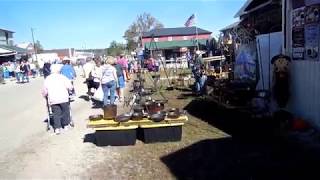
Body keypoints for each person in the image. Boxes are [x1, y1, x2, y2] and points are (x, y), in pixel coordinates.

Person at [42, 64, 73, 135]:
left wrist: (45, 96)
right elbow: (70, 86)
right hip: (63, 98)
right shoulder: (63, 77)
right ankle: (65, 125)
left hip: (53, 99)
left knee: (56, 113)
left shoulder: (48, 78)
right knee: (65, 111)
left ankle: (57, 128)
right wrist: (70, 90)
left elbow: (44, 90)